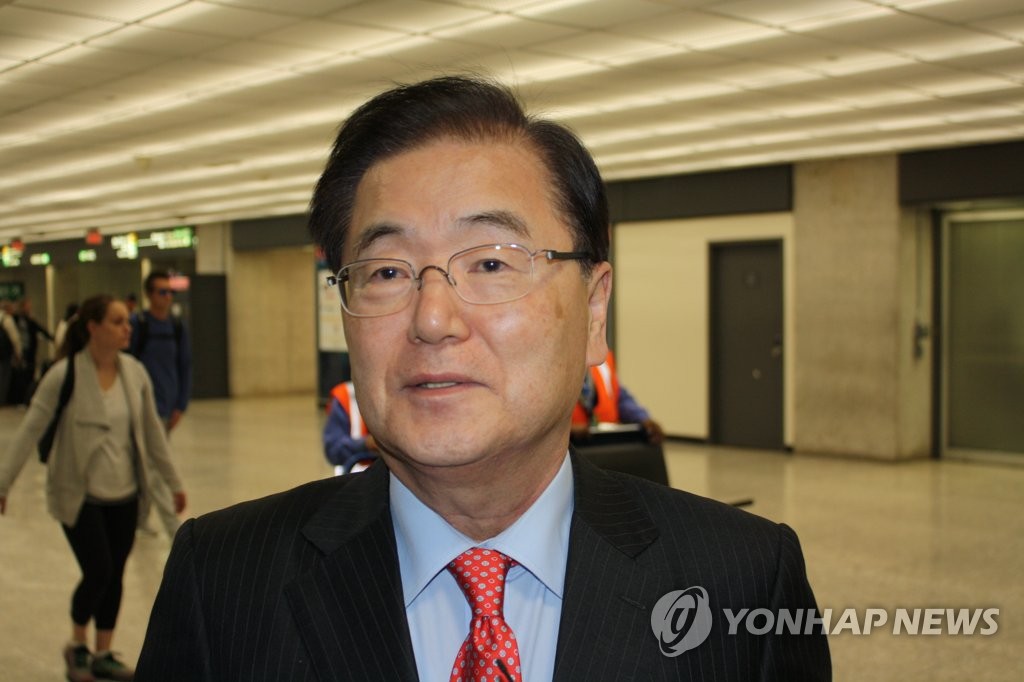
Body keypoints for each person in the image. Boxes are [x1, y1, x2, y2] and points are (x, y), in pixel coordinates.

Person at [137, 75, 830, 681]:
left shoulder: (744, 580)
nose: (433, 318)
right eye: (387, 271)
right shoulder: (221, 583)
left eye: (491, 263)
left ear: (594, 311)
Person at [0, 294, 187, 682]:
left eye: (126, 321)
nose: (126, 328)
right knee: (99, 570)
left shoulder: (134, 373)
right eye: (117, 321)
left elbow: (152, 434)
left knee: (115, 573)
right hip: (78, 494)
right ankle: (77, 644)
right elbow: (30, 430)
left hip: (125, 494)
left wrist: (173, 483)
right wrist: (3, 483)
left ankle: (103, 652)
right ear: (92, 327)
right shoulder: (63, 374)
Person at [129, 272, 192, 538]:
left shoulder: (177, 327)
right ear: (149, 294)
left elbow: (185, 366)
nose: (167, 297)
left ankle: (141, 517)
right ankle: (171, 527)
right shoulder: (138, 325)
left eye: (170, 292)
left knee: (150, 466)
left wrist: (181, 405)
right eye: (161, 292)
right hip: (144, 409)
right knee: (155, 467)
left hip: (168, 406)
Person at [570, 350, 665, 445]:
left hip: (606, 443)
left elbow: (619, 397)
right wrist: (566, 431)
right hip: (571, 447)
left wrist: (643, 419)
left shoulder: (603, 357)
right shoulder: (562, 361)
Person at [323, 380, 378, 475]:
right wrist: (366, 444)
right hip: (358, 476)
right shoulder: (345, 395)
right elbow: (333, 450)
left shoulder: (400, 394)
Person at [8, 297, 54, 404]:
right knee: (23, 374)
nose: (29, 308)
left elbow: (40, 330)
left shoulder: (29, 320)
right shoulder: (16, 319)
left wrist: (53, 338)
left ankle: (24, 397)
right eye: (28, 306)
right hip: (21, 351)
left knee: (28, 373)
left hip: (28, 351)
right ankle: (21, 397)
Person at [0, 300, 22, 406]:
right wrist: (18, 353)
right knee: (3, 377)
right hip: (3, 354)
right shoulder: (7, 319)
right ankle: (1, 400)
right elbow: (15, 338)